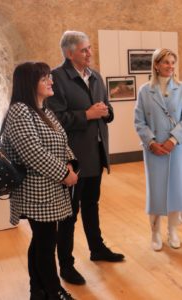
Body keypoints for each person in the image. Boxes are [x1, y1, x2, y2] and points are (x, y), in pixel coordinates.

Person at [47, 30, 124, 286]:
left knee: (92, 205)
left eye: (89, 48)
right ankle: (66, 266)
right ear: (69, 53)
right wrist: (87, 115)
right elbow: (55, 119)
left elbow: (106, 107)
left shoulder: (95, 76)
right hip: (74, 160)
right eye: (84, 50)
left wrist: (106, 112)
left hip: (96, 155)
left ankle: (97, 249)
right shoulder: (56, 79)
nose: (90, 53)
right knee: (69, 213)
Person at [2, 62, 78, 300]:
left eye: (49, 77)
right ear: (29, 83)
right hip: (36, 191)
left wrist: (70, 163)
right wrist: (65, 174)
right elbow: (32, 152)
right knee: (46, 244)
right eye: (45, 78)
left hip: (50, 188)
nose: (51, 81)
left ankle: (38, 291)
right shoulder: (20, 111)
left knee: (42, 241)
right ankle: (54, 291)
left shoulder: (43, 109)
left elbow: (61, 141)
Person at [134, 48, 182, 251]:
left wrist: (173, 140)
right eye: (166, 62)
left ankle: (173, 230)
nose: (170, 66)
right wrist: (151, 142)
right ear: (156, 65)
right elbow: (139, 121)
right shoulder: (144, 91)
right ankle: (155, 232)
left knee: (178, 189)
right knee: (156, 191)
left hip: (177, 149)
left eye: (172, 62)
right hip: (154, 150)